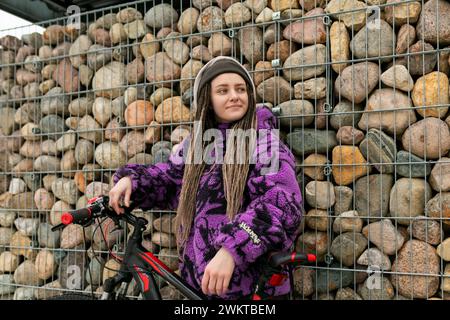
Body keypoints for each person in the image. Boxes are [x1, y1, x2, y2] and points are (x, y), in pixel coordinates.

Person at [109, 56, 303, 300]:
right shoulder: (198, 145)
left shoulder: (264, 142)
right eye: (223, 90)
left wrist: (233, 248)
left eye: (241, 89)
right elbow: (169, 179)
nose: (234, 95)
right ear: (208, 100)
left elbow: (282, 203)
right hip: (199, 288)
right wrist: (133, 182)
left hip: (251, 290)